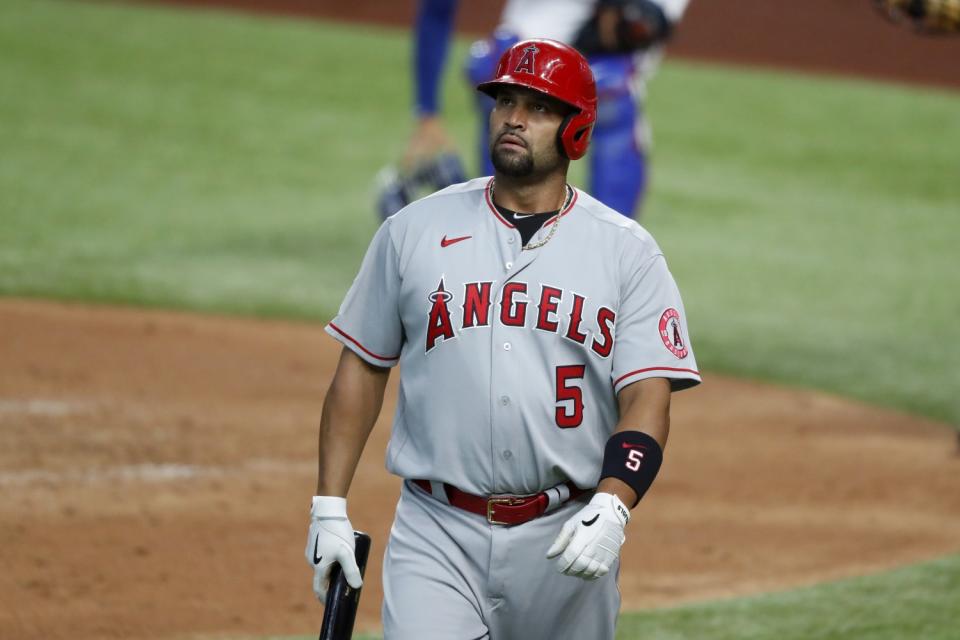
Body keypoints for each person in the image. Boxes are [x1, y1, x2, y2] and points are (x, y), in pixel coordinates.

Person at [310, 39, 700, 639]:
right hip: (436, 531)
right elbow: (362, 366)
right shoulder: (411, 230)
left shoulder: (627, 252)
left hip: (567, 536)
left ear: (577, 131)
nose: (514, 118)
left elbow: (647, 395)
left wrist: (616, 503)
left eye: (539, 108)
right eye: (505, 102)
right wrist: (329, 504)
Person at [378, 0, 689, 220]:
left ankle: (611, 258)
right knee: (497, 69)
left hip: (615, 45)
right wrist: (427, 111)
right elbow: (438, 8)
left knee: (611, 94)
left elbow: (646, 22)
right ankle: (483, 226)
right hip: (534, 27)